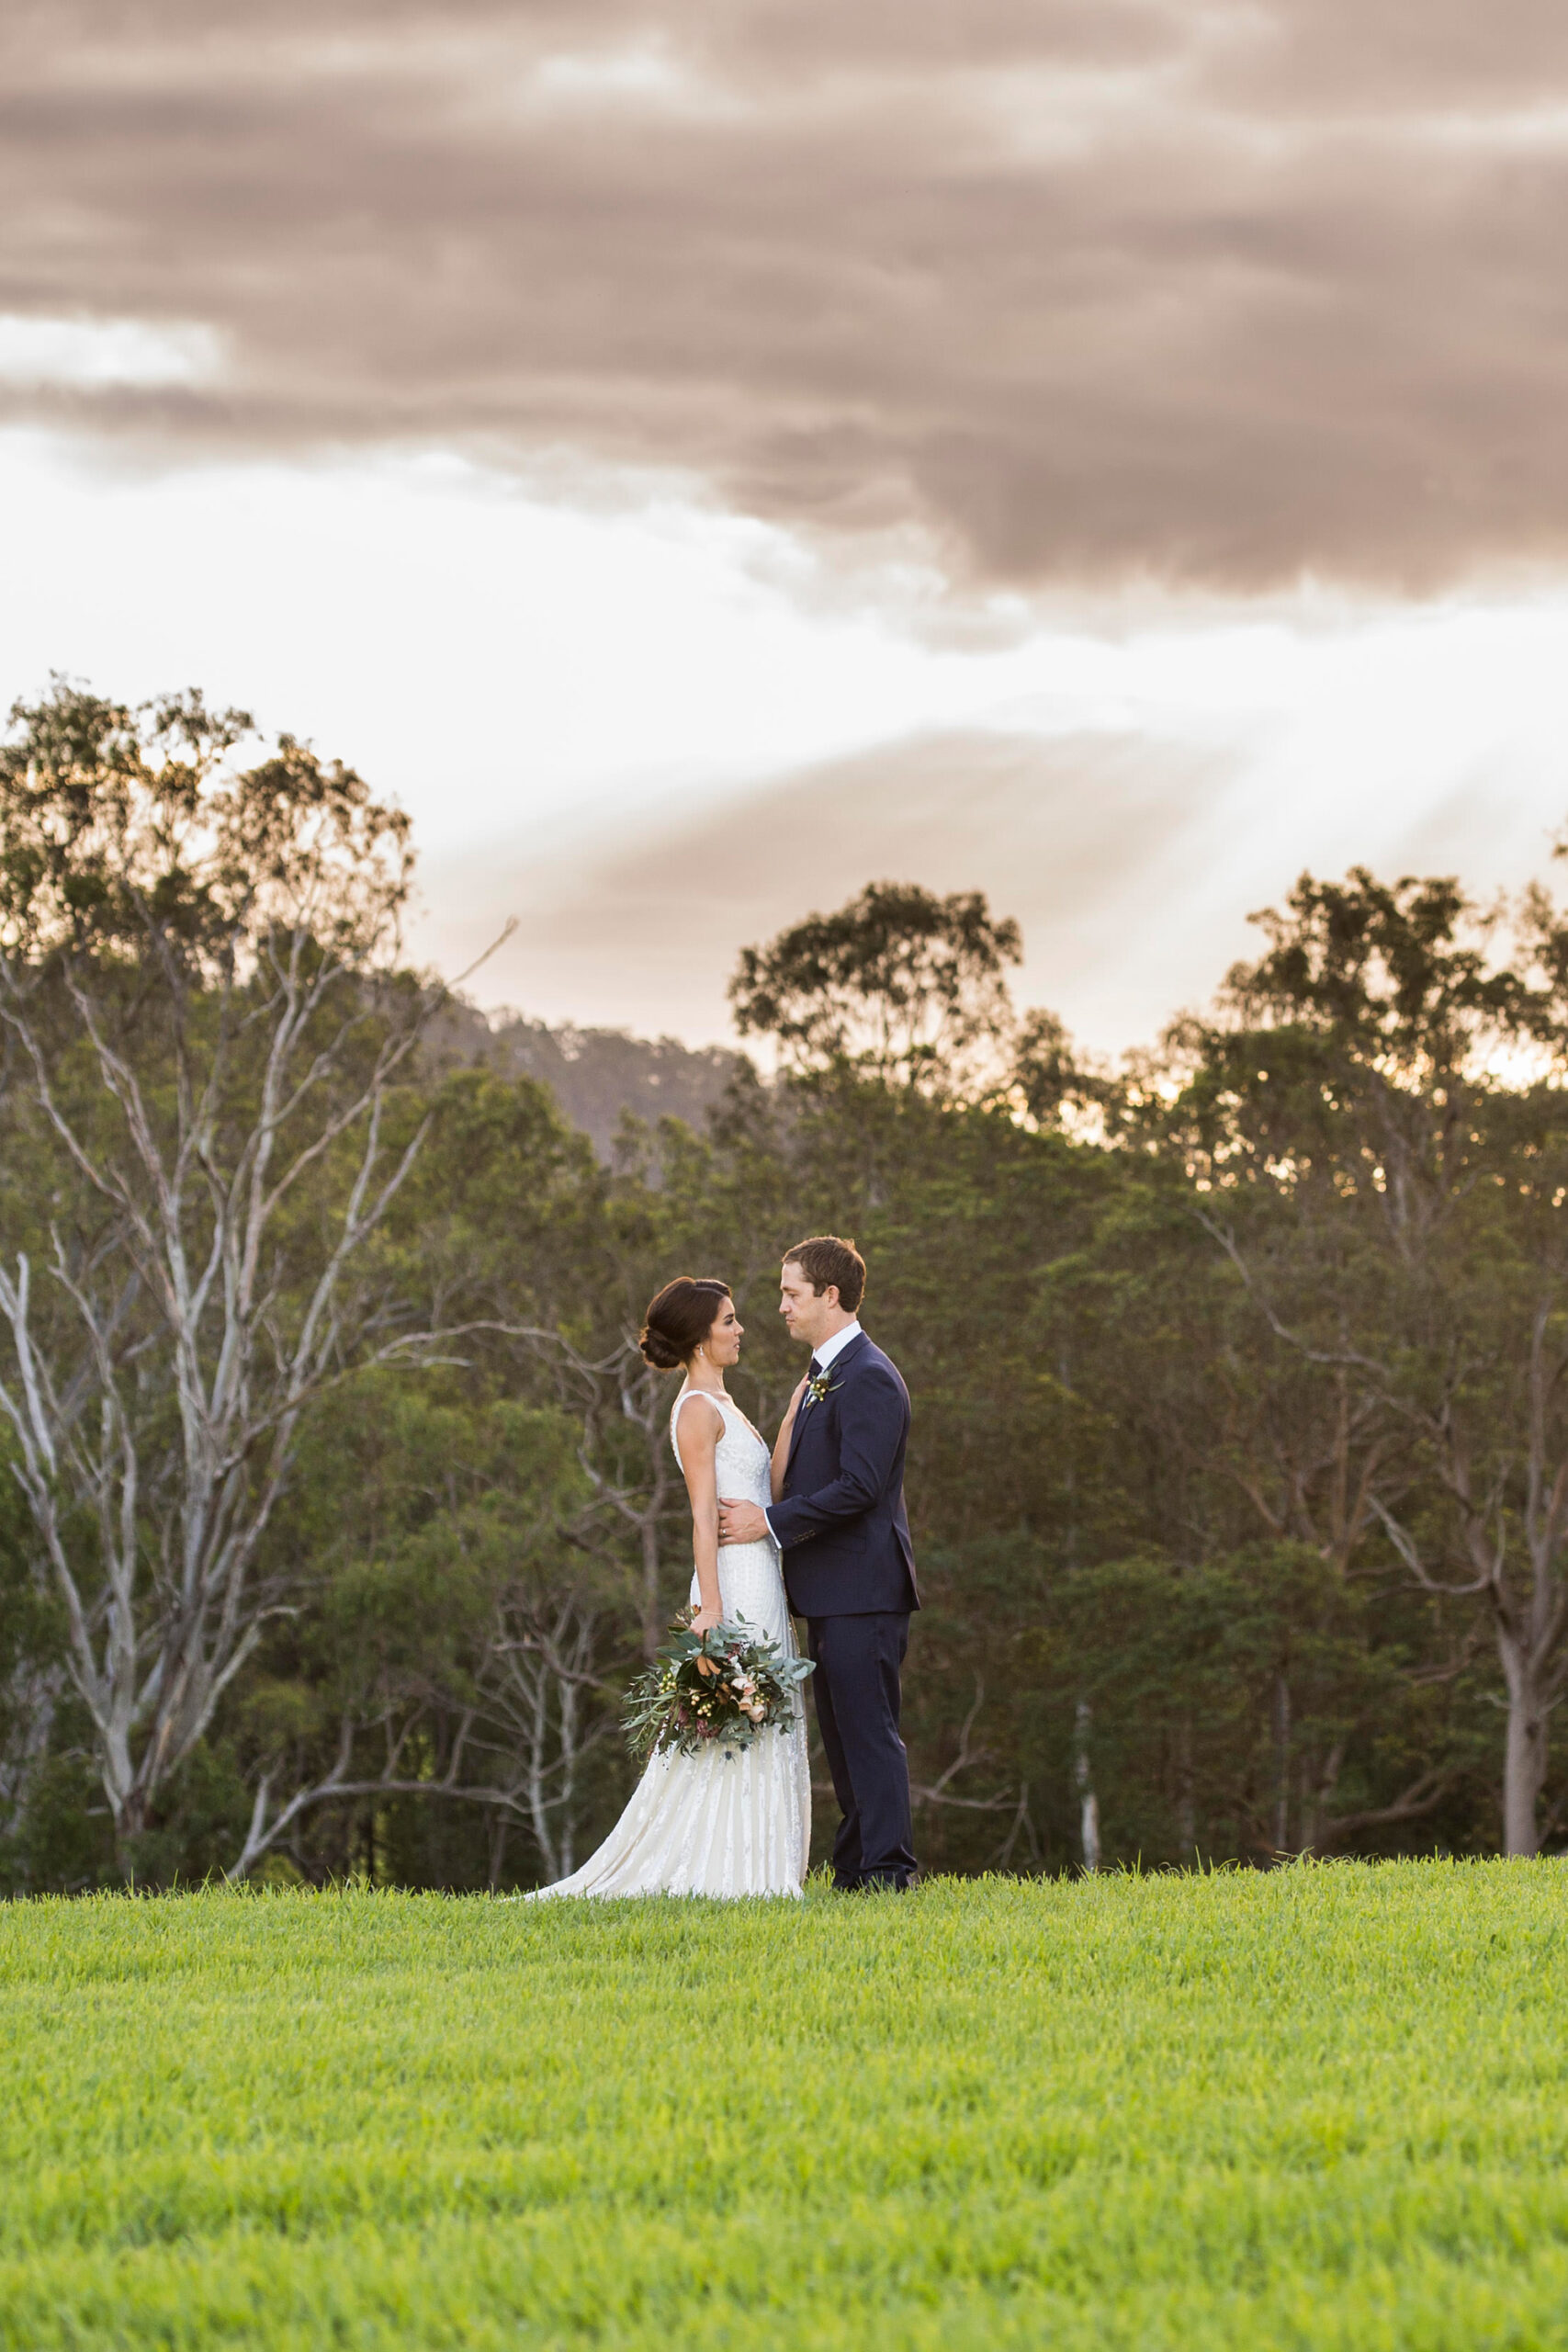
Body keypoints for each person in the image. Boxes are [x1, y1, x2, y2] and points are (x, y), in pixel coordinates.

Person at [520, 1275, 810, 1900]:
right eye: (728, 1322)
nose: (740, 1331)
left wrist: (790, 1416)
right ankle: (729, 1869)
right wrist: (710, 1606)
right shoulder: (696, 1411)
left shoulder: (727, 1404)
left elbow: (767, 1491)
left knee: (767, 1712)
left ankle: (764, 1860)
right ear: (701, 1339)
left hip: (763, 1573)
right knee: (740, 1715)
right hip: (732, 1582)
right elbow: (702, 1515)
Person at [718, 1237, 919, 1893]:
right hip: (834, 1590)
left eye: (791, 1293)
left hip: (865, 1587)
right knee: (843, 1736)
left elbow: (861, 1486)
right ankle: (855, 1869)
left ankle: (889, 1872)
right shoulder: (825, 1373)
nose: (779, 1306)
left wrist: (768, 1523)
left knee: (869, 1733)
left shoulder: (867, 1376)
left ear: (829, 1296)